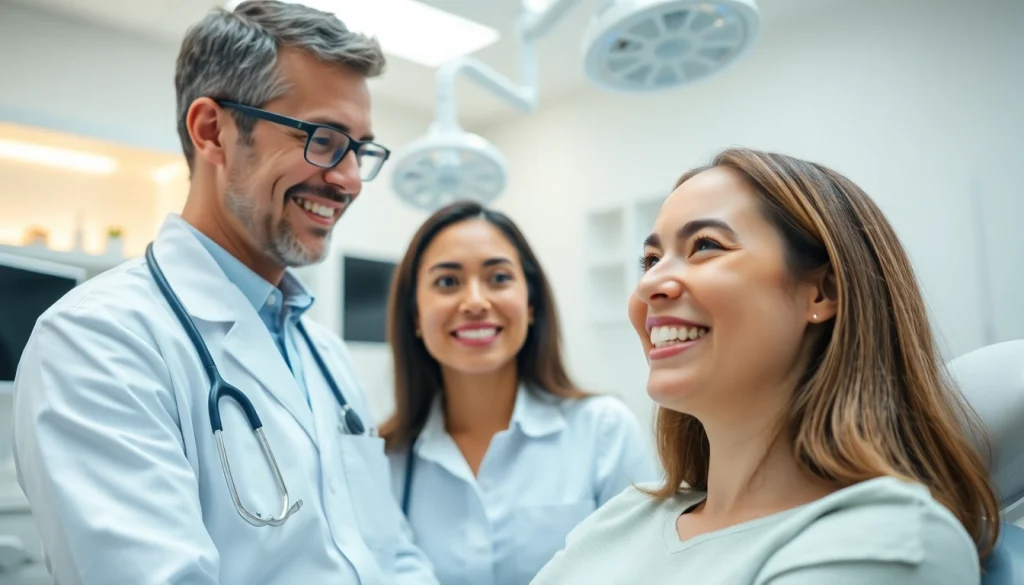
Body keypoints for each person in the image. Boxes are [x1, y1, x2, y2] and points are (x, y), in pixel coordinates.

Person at [10, 2, 438, 584]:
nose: (350, 180)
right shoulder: (96, 342)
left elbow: (392, 554)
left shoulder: (323, 352)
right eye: (324, 139)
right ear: (213, 131)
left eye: (359, 150)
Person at [530, 148, 1001, 585]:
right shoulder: (629, 514)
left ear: (822, 292)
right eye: (650, 259)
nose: (651, 284)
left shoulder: (888, 540)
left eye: (706, 246)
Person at [380, 200, 659, 585]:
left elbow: (642, 572)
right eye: (447, 281)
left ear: (530, 305)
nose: (476, 302)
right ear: (414, 315)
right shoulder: (386, 460)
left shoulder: (603, 431)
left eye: (498, 278)